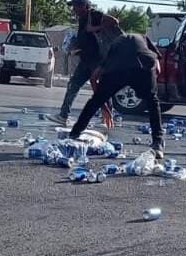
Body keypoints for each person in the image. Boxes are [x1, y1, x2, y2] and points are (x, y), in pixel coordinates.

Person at [68, 24, 165, 158]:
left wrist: (104, 106)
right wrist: (149, 88)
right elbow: (158, 68)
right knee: (153, 102)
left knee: (94, 102)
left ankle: (74, 133)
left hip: (117, 69)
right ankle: (157, 144)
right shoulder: (144, 39)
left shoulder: (115, 45)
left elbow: (93, 78)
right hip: (143, 66)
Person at [50, 0, 118, 129]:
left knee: (100, 88)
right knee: (73, 85)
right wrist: (76, 48)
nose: (74, 9)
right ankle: (63, 115)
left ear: (85, 6)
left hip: (96, 61)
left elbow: (114, 21)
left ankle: (108, 116)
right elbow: (86, 39)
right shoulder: (82, 19)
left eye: (76, 6)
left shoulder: (94, 14)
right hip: (85, 60)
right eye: (73, 6)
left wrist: (95, 28)